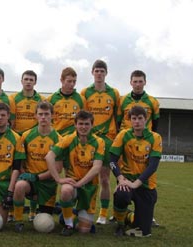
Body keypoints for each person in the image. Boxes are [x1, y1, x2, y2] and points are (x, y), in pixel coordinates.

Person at [45, 110, 104, 236]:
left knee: (84, 231)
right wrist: (59, 180)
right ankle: (68, 224)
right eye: (81, 124)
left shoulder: (99, 142)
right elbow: (49, 157)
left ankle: (67, 214)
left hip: (89, 186)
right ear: (75, 125)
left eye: (87, 124)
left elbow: (97, 168)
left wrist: (80, 183)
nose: (83, 127)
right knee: (65, 190)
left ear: (92, 125)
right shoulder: (68, 139)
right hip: (72, 183)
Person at [111, 105, 162, 237]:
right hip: (127, 181)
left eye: (140, 118)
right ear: (130, 120)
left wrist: (136, 184)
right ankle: (120, 224)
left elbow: (153, 166)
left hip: (146, 185)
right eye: (134, 118)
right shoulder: (123, 135)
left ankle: (128, 216)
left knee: (144, 232)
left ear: (146, 119)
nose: (137, 121)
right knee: (121, 194)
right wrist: (120, 178)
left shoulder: (155, 138)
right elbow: (112, 160)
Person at [13, 101, 63, 232]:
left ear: (52, 116)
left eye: (46, 114)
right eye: (40, 114)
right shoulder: (26, 136)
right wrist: (25, 175)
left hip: (48, 184)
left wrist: (37, 177)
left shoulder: (59, 139)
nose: (43, 117)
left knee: (45, 220)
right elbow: (20, 162)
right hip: (30, 182)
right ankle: (18, 220)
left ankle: (40, 210)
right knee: (19, 186)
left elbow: (58, 169)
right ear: (35, 116)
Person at [80, 60, 120, 225]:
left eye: (102, 71)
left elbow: (117, 118)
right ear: (92, 72)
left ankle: (103, 214)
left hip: (107, 141)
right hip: (89, 140)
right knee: (86, 177)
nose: (99, 73)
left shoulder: (114, 93)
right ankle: (85, 210)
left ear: (106, 73)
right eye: (96, 70)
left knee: (104, 178)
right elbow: (82, 118)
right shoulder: (85, 92)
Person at [8, 70, 45, 222]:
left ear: (35, 82)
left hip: (33, 139)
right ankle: (11, 211)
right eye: (26, 79)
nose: (28, 82)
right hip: (18, 139)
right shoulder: (13, 98)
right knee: (15, 172)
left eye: (31, 79)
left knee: (34, 169)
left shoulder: (41, 99)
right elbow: (11, 120)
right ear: (21, 81)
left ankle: (32, 211)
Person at [47, 67, 86, 136]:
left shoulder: (81, 99)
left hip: (74, 139)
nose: (72, 84)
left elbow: (85, 120)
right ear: (61, 80)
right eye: (69, 81)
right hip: (57, 138)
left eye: (74, 81)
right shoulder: (51, 99)